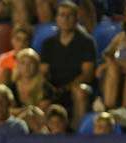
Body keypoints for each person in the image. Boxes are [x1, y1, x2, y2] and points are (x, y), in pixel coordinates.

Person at [40, 0, 96, 129]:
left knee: (80, 91)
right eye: (62, 15)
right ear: (56, 18)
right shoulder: (48, 44)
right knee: (41, 101)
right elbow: (43, 72)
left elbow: (87, 74)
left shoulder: (86, 42)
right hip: (54, 89)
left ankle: (77, 132)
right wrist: (49, 88)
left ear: (76, 18)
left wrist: (67, 88)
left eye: (69, 15)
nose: (65, 19)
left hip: (76, 87)